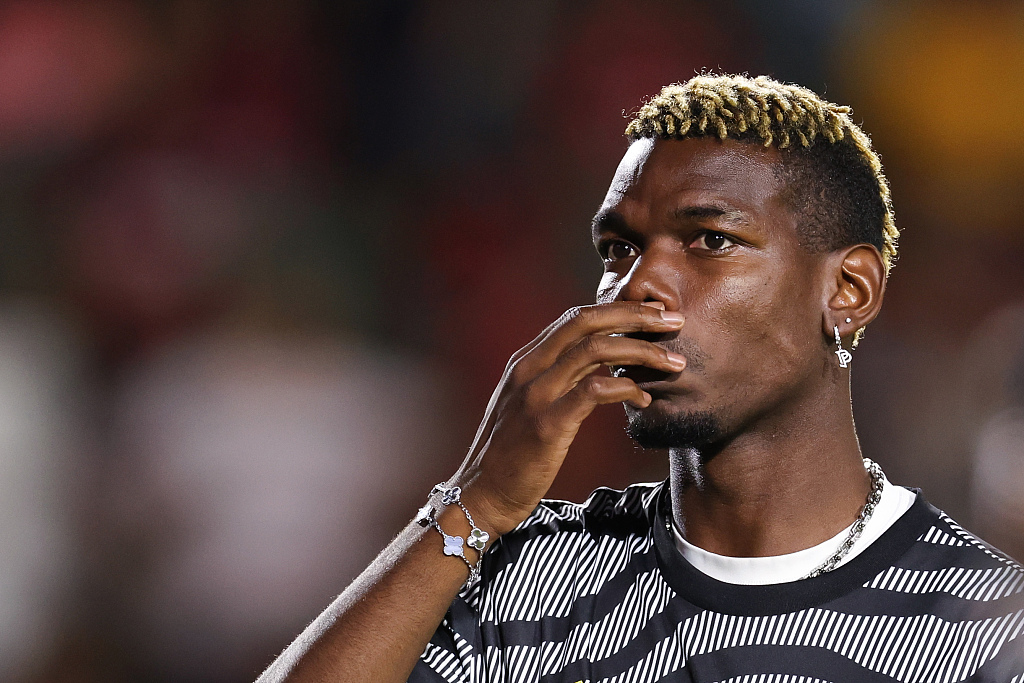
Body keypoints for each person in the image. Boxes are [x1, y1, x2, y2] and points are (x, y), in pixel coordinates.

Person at [258, 74, 1024, 682]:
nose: (638, 286)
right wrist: (479, 501)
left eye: (710, 240)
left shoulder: (985, 629)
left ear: (847, 292)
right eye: (619, 250)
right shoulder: (529, 577)